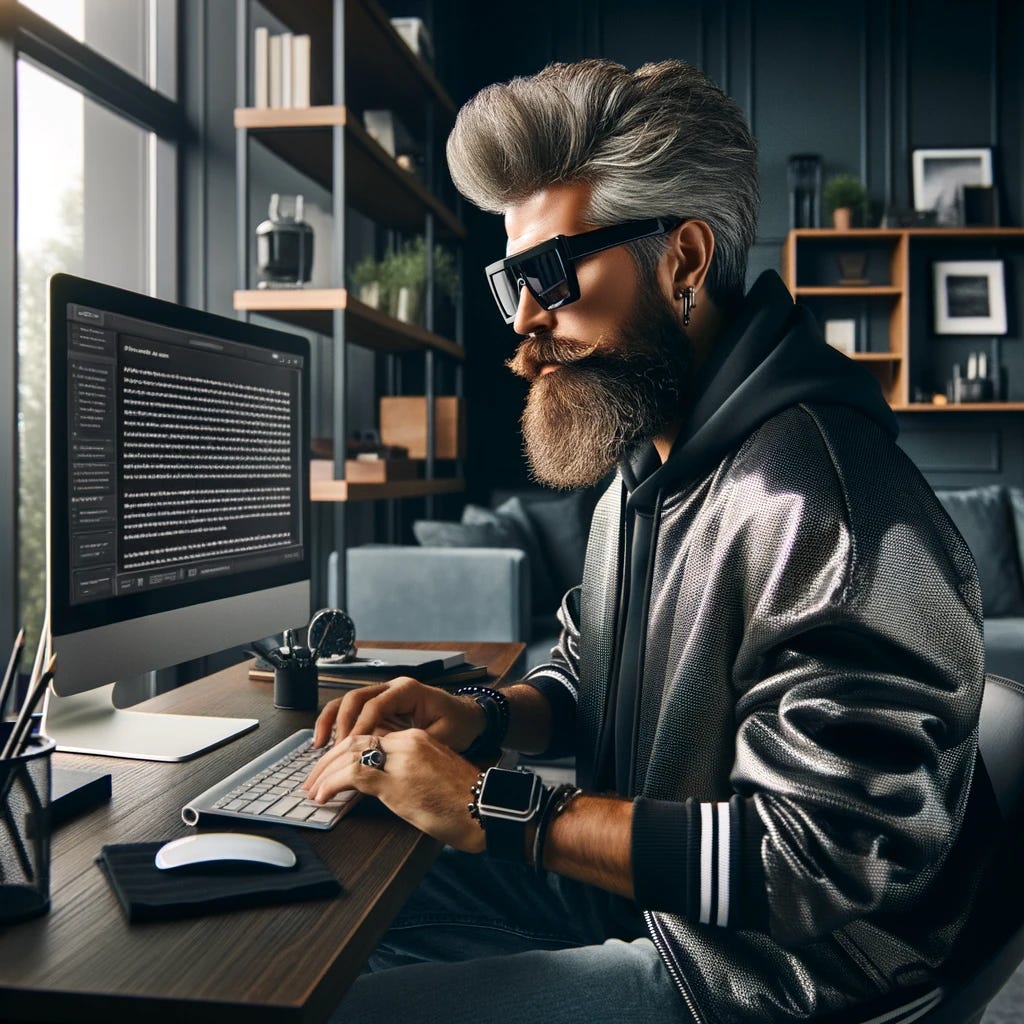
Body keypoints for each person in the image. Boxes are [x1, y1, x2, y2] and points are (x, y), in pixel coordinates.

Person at [309, 59, 994, 1024]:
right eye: (513, 283)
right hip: (654, 904)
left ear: (683, 259)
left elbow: (813, 862)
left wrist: (487, 806)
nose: (527, 322)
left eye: (551, 274)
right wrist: (481, 717)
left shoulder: (824, 502)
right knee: (318, 898)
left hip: (777, 977)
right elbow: (592, 682)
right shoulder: (645, 469)